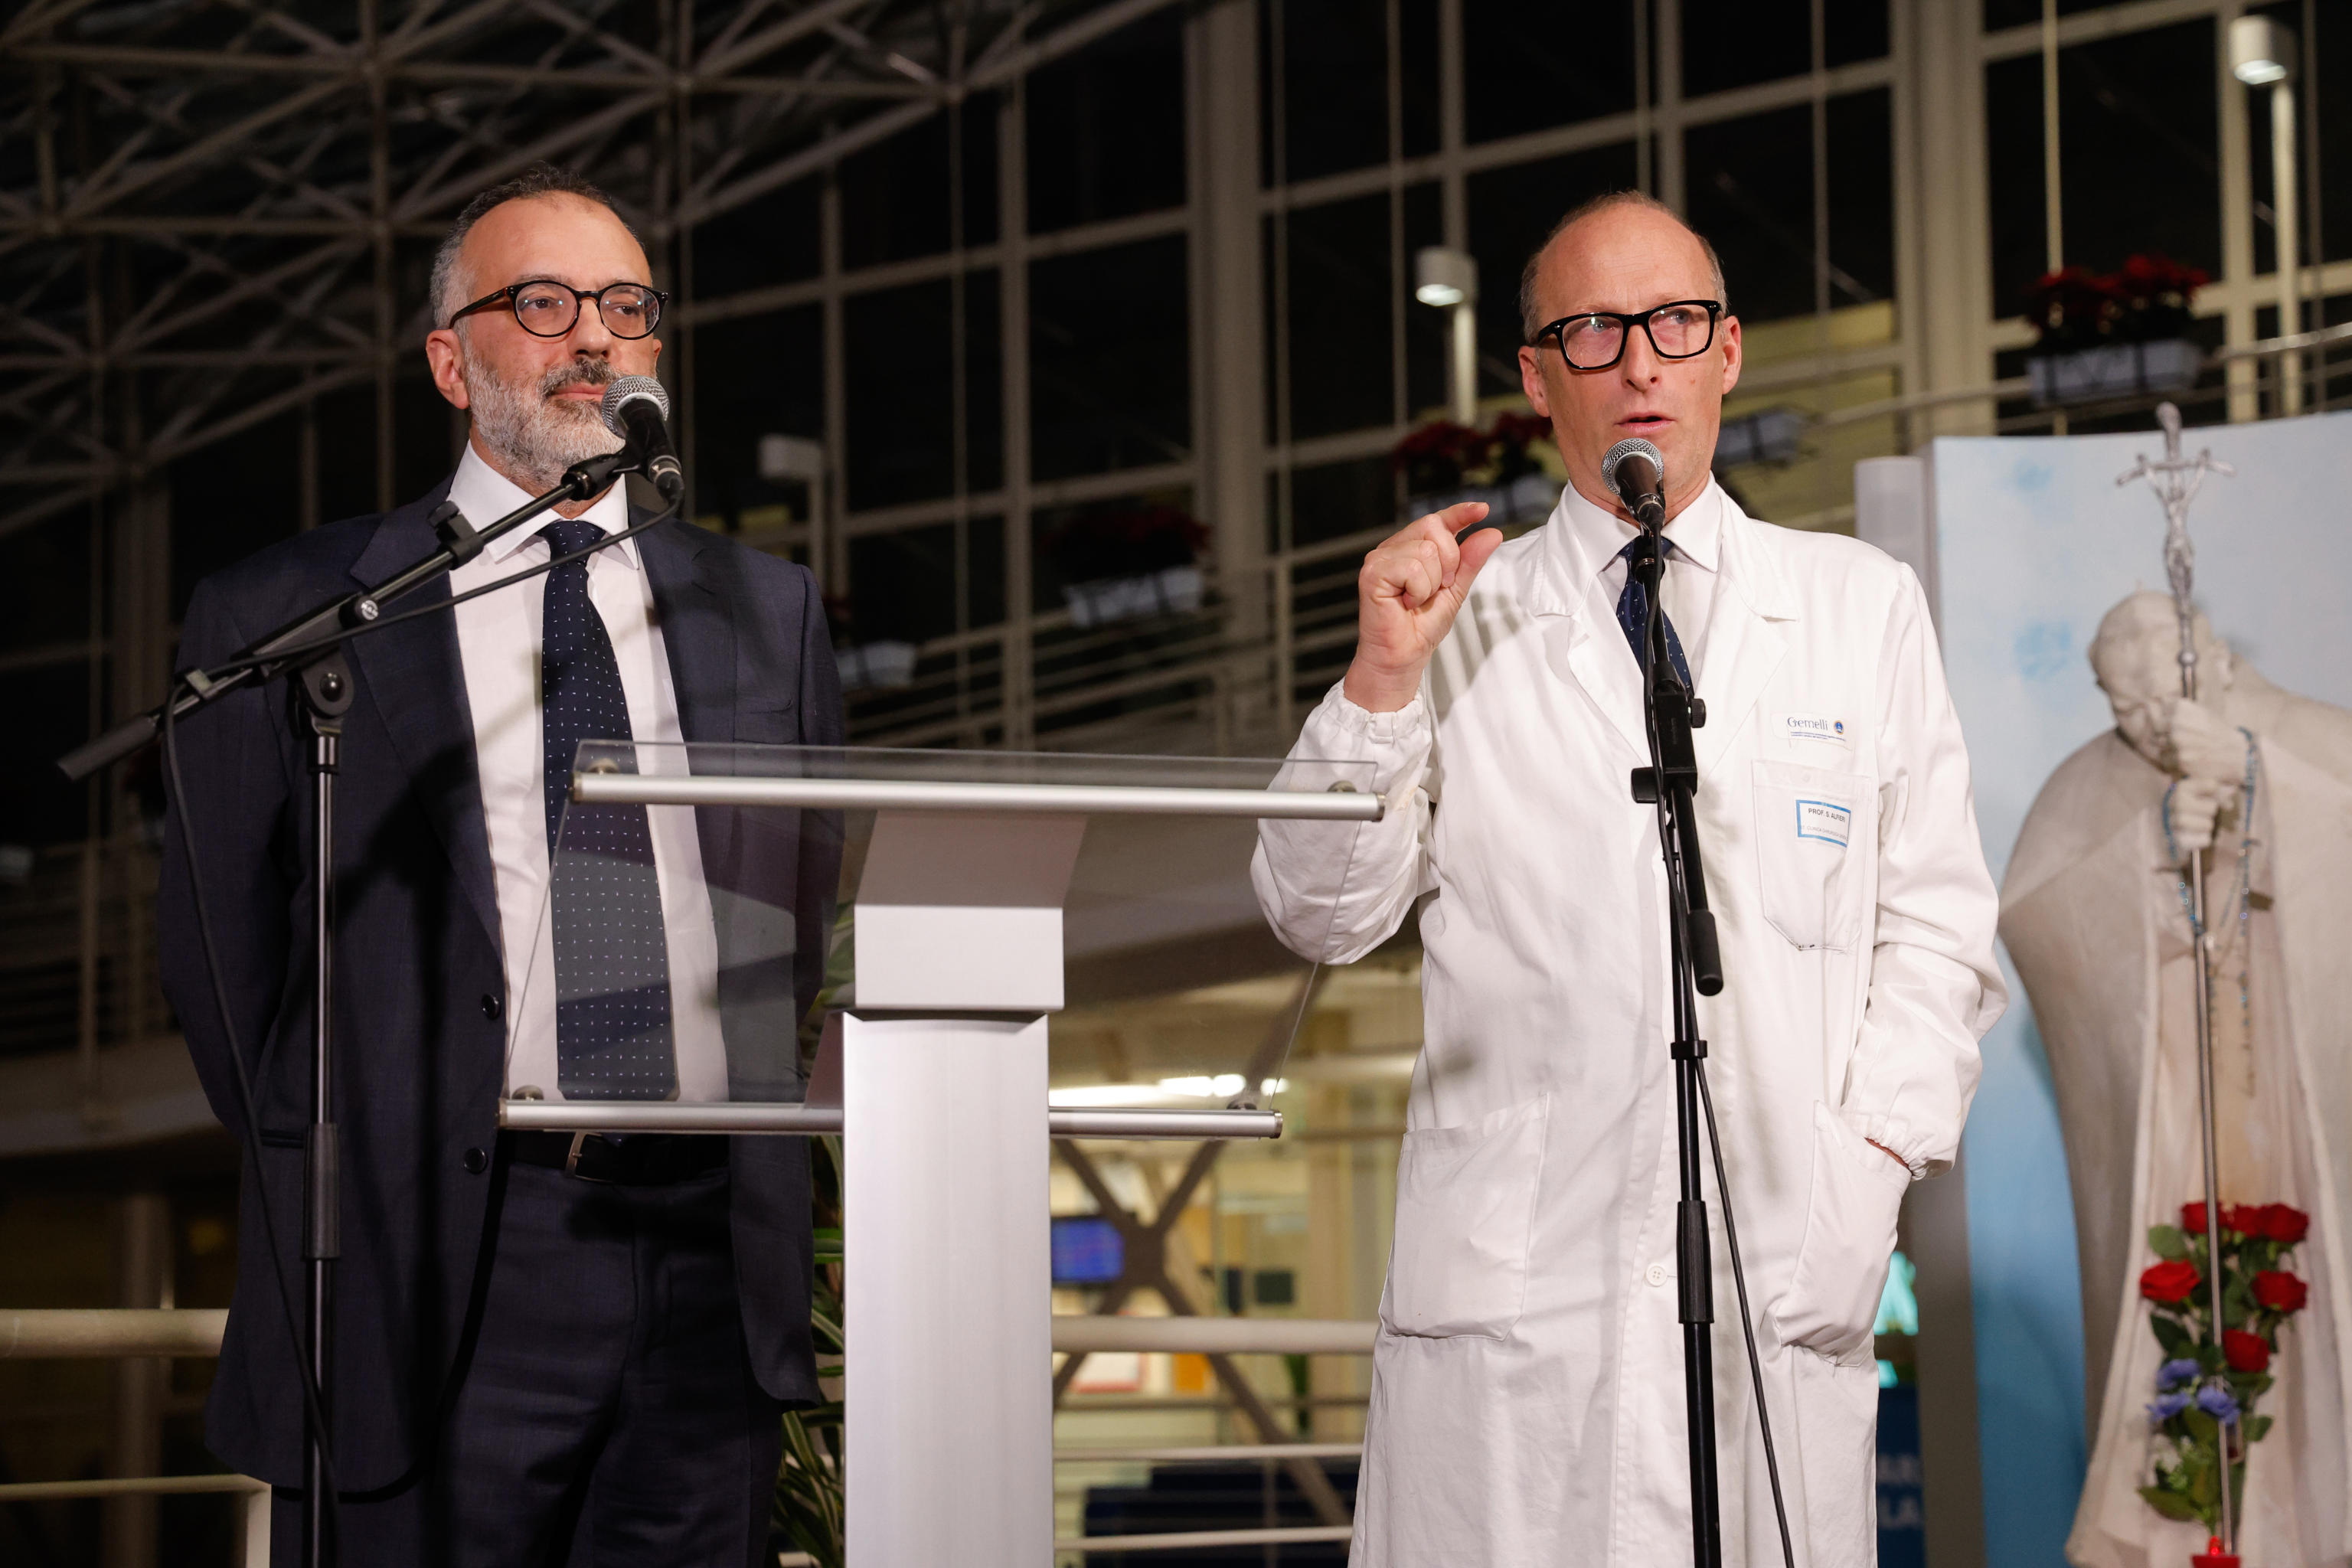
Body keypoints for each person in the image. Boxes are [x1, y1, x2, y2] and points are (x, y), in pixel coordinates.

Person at [1251, 190, 2004, 1565]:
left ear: (1727, 351)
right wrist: (1376, 683)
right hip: (1517, 1303)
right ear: (1538, 379)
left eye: (1672, 323)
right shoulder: (1453, 620)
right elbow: (1318, 909)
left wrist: (1863, 1179)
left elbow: (1939, 935)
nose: (1639, 362)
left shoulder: (1853, 607)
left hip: (1782, 1257)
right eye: (1593, 332)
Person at [157, 164, 839, 1566]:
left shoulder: (766, 610)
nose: (595, 336)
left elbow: (791, 927)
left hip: (704, 1261)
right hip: (434, 1259)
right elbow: (230, 977)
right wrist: (370, 1151)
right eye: (544, 302)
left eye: (627, 307)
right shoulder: (290, 616)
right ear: (451, 362)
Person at [2002, 593, 2352, 1568]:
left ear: (2214, 663)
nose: (2148, 724)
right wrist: (2155, 848)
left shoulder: (2322, 741)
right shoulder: (2091, 784)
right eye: (2126, 709)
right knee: (2184, 1323)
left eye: (2162, 699)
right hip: (2181, 1117)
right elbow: (2038, 921)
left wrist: (2259, 784)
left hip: (2304, 1097)